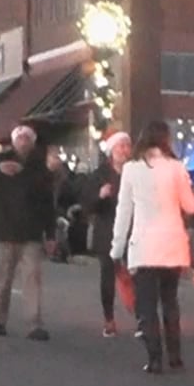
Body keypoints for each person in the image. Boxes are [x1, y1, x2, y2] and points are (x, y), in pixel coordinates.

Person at [111, 121, 194, 375]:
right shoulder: (176, 168)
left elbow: (124, 211)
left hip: (144, 246)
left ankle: (154, 358)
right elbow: (189, 205)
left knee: (146, 304)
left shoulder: (131, 170)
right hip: (173, 244)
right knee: (170, 302)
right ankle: (175, 356)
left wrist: (116, 248)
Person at [0, 123, 56, 340]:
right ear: (13, 140)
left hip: (31, 232)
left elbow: (47, 204)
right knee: (4, 278)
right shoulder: (0, 159)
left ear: (32, 142)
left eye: (27, 138)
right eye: (20, 138)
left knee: (32, 278)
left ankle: (34, 324)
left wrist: (50, 235)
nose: (23, 142)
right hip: (6, 230)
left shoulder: (40, 168)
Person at [87, 129, 136, 338]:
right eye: (120, 146)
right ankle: (109, 319)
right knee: (107, 276)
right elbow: (88, 205)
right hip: (107, 231)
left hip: (133, 232)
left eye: (127, 146)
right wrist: (100, 195)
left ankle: (140, 314)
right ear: (111, 151)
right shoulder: (99, 175)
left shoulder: (135, 171)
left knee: (136, 274)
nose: (124, 150)